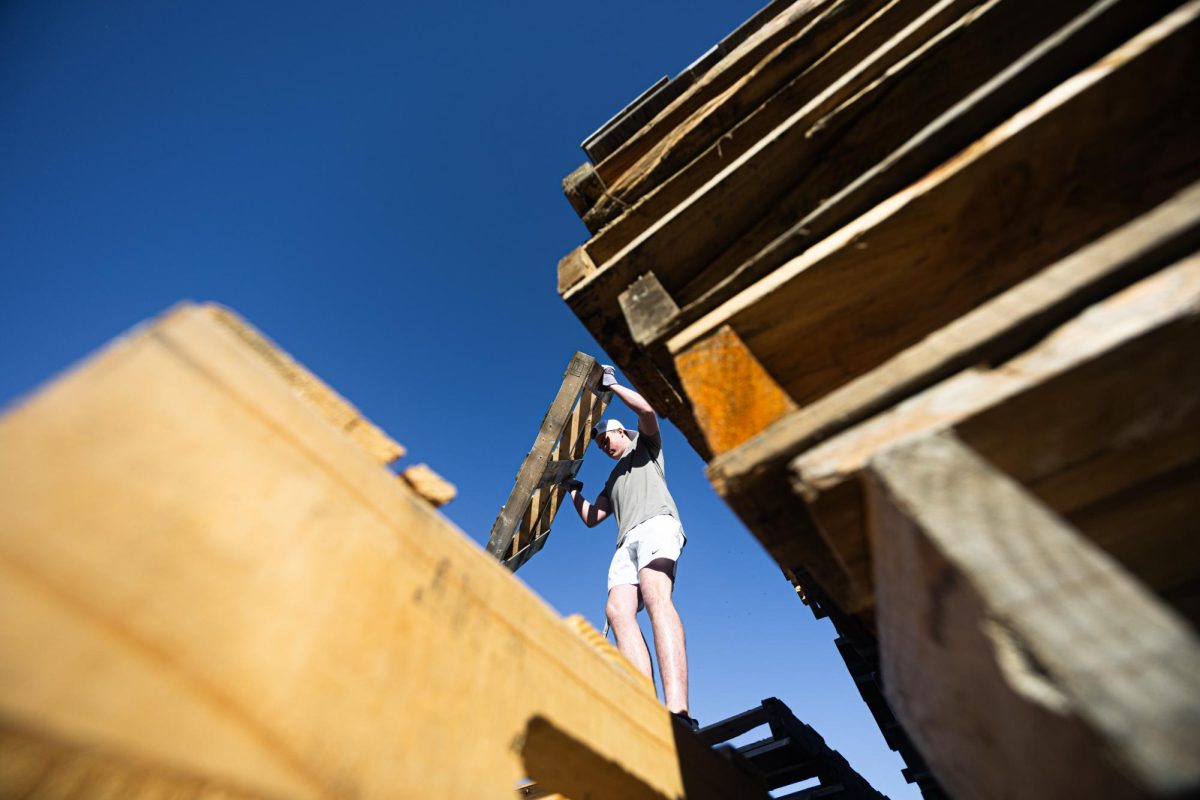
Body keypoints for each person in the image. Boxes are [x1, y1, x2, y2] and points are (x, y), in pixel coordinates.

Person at [562, 364, 697, 731]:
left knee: (655, 594)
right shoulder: (612, 478)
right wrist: (575, 493)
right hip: (625, 542)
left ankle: (678, 711)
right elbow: (592, 518)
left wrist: (613, 385)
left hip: (657, 524)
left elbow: (649, 412)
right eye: (600, 444)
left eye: (607, 438)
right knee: (617, 609)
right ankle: (646, 711)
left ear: (621, 431)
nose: (604, 445)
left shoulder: (645, 446)